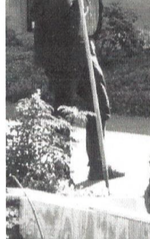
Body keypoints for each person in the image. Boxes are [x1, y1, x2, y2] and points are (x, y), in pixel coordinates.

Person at [31, 0, 118, 181]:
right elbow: (50, 17)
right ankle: (59, 172)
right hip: (63, 52)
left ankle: (97, 165)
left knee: (100, 105)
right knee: (63, 110)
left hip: (86, 46)